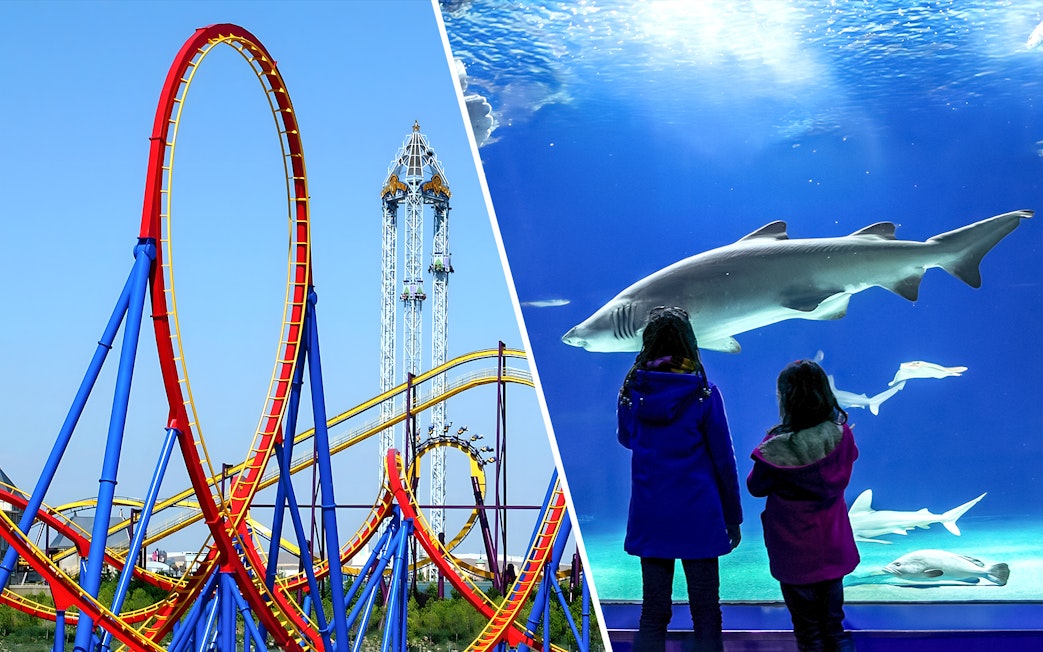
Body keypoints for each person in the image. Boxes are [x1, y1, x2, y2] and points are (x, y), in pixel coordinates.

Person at [617, 306, 743, 652]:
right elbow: (724, 459)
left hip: (651, 514)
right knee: (706, 610)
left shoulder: (631, 391)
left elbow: (627, 438)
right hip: (699, 514)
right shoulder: (704, 393)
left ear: (647, 342)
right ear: (690, 341)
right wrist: (733, 516)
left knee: (653, 611)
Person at [747, 360, 860, 652]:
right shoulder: (841, 435)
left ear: (786, 398)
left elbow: (755, 487)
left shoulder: (776, 446)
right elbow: (848, 460)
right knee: (834, 627)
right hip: (832, 546)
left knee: (808, 633)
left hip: (794, 551)